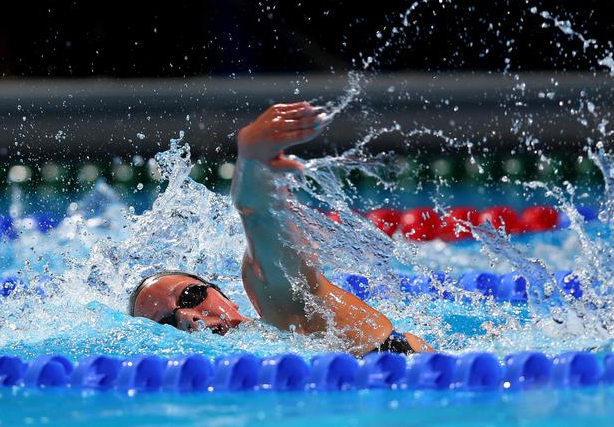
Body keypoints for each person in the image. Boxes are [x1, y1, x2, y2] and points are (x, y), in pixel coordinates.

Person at [129, 101, 433, 356]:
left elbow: (261, 217)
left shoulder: (288, 311)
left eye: (191, 297)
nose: (186, 316)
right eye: (165, 324)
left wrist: (252, 161)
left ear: (226, 297)